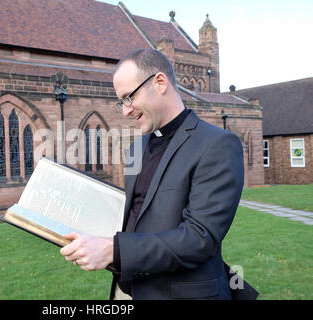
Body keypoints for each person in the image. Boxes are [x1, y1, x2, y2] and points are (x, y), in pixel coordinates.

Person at [60, 48, 244, 300]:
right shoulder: (137, 147)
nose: (125, 111)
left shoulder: (217, 144)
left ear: (159, 82)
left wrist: (114, 251)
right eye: (121, 101)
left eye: (129, 97)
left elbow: (199, 238)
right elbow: (136, 213)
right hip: (127, 289)